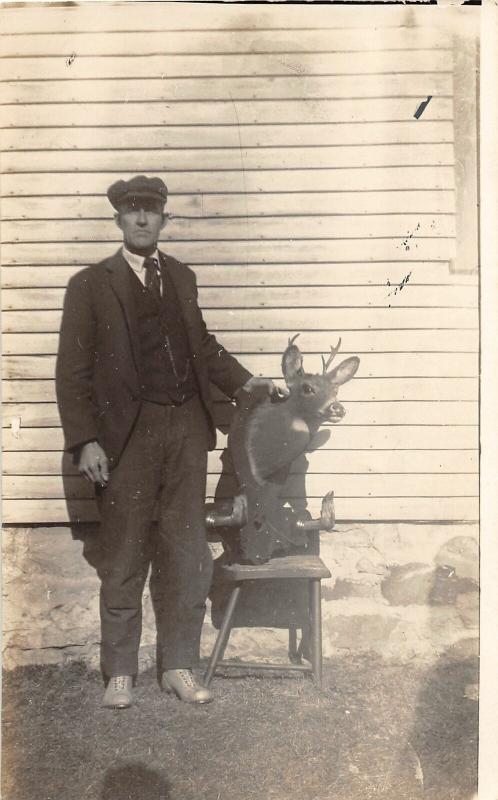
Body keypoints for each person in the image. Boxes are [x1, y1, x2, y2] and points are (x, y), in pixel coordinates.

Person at [56, 175, 276, 709]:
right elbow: (72, 373)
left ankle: (178, 665)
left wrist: (247, 383)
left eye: (151, 210)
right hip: (125, 440)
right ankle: (121, 673)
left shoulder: (180, 276)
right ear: (118, 219)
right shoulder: (89, 284)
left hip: (185, 432)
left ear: (163, 219)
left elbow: (201, 345)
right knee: (125, 554)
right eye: (131, 210)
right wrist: (85, 440)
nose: (141, 219)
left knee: (188, 556)